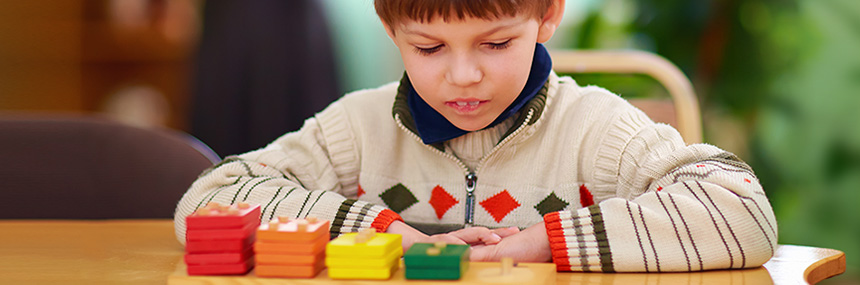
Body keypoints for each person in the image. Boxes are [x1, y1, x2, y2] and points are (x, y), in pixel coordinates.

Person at [174, 0, 777, 272]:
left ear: (547, 15)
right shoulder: (356, 129)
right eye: (429, 48)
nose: (464, 76)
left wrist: (551, 239)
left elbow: (743, 213)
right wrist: (385, 231)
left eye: (496, 43)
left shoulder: (598, 129)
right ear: (390, 29)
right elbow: (208, 199)